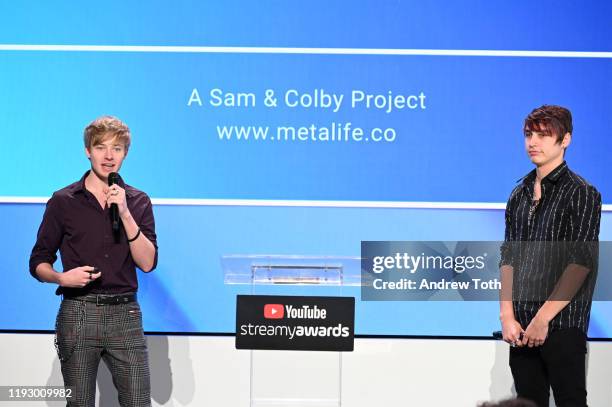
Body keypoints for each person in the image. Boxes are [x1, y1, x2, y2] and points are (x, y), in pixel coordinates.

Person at [29, 116, 158, 407]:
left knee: (138, 402)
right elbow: (38, 260)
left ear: (126, 153)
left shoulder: (138, 201)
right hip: (78, 312)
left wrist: (124, 213)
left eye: (117, 149)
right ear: (88, 150)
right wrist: (62, 278)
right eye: (101, 147)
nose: (109, 156)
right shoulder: (63, 201)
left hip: (125, 314)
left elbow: (148, 263)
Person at [499, 105, 601, 407]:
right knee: (527, 401)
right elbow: (508, 256)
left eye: (544, 135)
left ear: (565, 139)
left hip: (562, 324)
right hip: (520, 326)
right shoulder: (519, 193)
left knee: (570, 401)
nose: (534, 142)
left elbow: (581, 262)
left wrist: (543, 319)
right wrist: (507, 315)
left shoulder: (581, 192)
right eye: (530, 134)